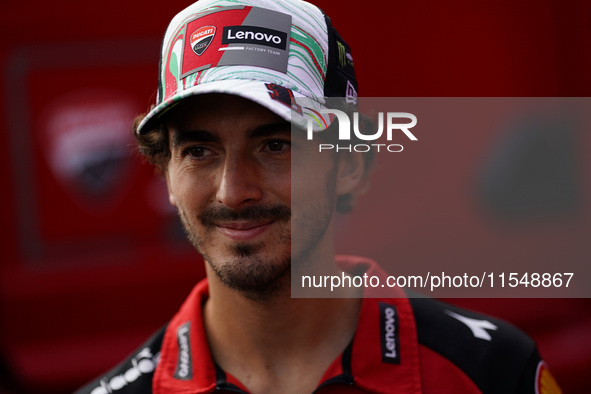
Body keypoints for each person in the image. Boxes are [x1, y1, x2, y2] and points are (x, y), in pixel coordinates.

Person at [76, 0, 562, 393]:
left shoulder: (492, 372)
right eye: (199, 151)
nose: (233, 191)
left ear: (349, 165)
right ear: (165, 173)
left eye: (275, 145)